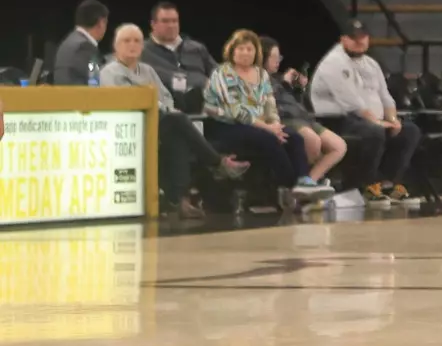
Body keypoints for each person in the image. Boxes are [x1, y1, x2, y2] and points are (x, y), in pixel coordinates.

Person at [100, 23, 247, 217]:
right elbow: (128, 100)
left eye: (136, 41)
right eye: (126, 41)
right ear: (116, 46)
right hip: (129, 125)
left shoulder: (147, 70)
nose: (132, 45)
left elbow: (166, 96)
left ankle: (178, 200)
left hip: (158, 120)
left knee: (178, 137)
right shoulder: (110, 72)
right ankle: (217, 162)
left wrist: (164, 108)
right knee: (177, 121)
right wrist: (163, 108)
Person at [203, 29, 330, 198]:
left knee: (294, 137)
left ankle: (304, 181)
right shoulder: (223, 73)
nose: (245, 53)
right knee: (269, 139)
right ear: (232, 50)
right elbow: (236, 111)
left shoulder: (261, 75)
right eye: (241, 49)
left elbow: (270, 103)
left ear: (256, 52)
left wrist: (275, 124)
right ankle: (292, 187)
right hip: (226, 125)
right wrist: (268, 129)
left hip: (257, 124)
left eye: (249, 49)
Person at [309, 21, 421, 205]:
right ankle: (364, 186)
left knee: (409, 131)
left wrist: (393, 120)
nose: (359, 42)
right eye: (354, 38)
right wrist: (377, 122)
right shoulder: (334, 62)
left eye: (363, 37)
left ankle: (387, 184)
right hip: (337, 120)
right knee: (373, 132)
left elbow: (386, 97)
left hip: (370, 120)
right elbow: (352, 103)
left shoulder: (371, 64)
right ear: (343, 39)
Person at [261, 37, 346, 192]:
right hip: (285, 119)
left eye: (279, 57)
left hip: (303, 117)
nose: (278, 61)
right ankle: (303, 184)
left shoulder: (278, 78)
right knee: (313, 141)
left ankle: (309, 182)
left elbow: (296, 102)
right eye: (274, 57)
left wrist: (299, 87)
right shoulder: (256, 77)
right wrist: (285, 83)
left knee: (339, 146)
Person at [142, 2, 218, 113]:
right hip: (166, 111)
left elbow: (219, 75)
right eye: (165, 21)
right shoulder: (142, 51)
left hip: (205, 110)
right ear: (153, 24)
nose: (171, 25)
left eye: (174, 21)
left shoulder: (196, 48)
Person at [52, 0, 109, 85]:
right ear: (101, 23)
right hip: (78, 97)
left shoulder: (67, 42)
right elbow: (98, 80)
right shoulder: (85, 47)